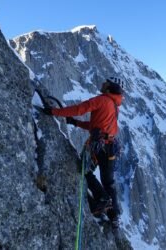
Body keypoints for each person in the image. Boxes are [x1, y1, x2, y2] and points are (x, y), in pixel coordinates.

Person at [44, 77, 124, 229]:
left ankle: (102, 199)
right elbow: (97, 126)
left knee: (84, 170)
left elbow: (80, 109)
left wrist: (54, 112)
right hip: (110, 148)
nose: (103, 83)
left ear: (110, 87)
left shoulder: (102, 100)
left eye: (106, 83)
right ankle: (113, 215)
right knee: (109, 182)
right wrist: (75, 122)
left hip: (99, 147)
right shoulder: (114, 105)